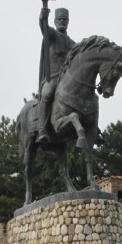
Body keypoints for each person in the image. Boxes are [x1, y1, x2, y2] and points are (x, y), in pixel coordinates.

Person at [36, 7, 75, 143]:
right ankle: (41, 129)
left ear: (68, 21)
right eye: (59, 19)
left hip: (67, 80)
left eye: (64, 19)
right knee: (47, 94)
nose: (62, 21)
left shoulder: (72, 44)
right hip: (52, 77)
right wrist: (42, 17)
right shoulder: (52, 35)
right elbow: (44, 29)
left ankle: (94, 129)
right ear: (55, 20)